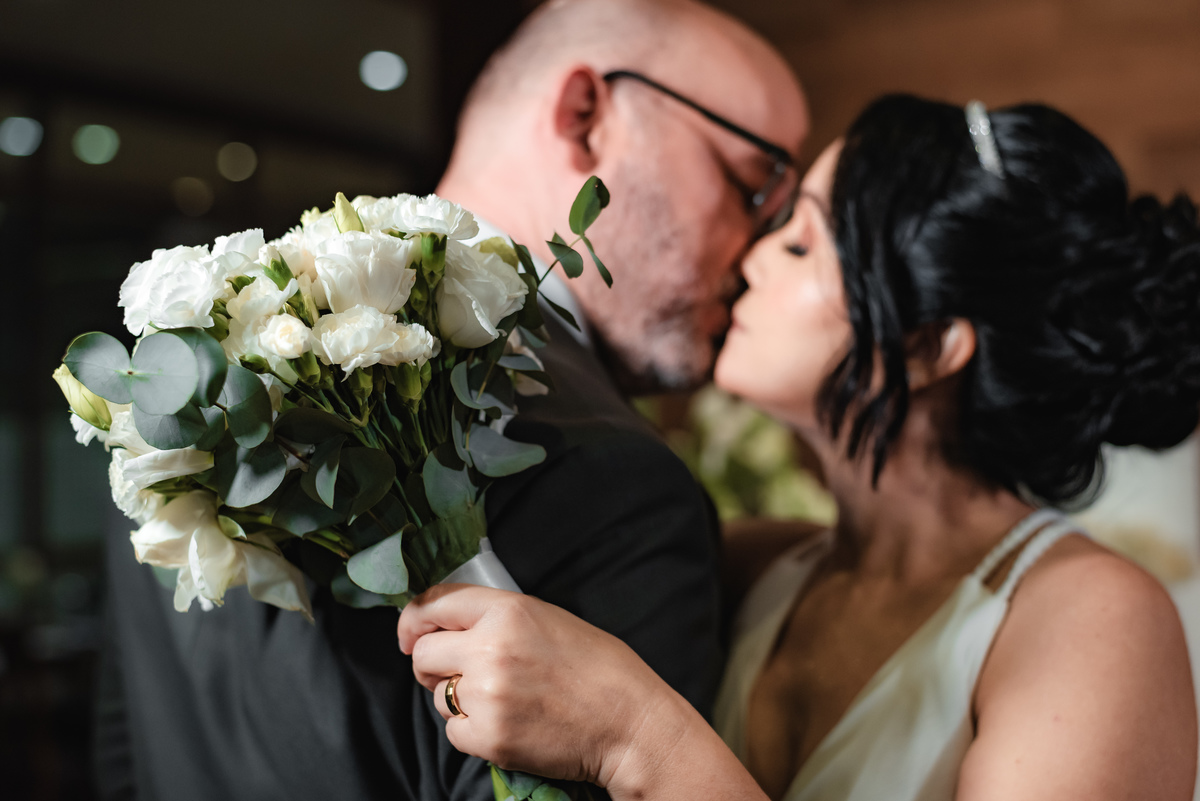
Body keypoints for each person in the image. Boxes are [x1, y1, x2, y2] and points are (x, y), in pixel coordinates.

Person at [92, 2, 808, 799]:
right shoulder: (615, 481)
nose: (760, 249)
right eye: (754, 184)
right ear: (585, 117)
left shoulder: (181, 397)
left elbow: (126, 757)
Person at [398, 94, 1200, 801]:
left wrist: (636, 736)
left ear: (927, 347)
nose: (750, 260)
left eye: (800, 245)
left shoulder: (1095, 618)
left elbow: (633, 733)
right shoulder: (747, 566)